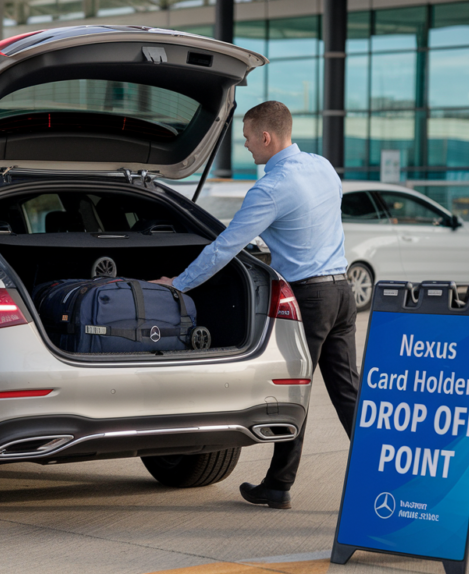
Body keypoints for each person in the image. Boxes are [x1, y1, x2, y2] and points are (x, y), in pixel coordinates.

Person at [152, 100, 359, 510]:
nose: (246, 146)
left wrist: (178, 285)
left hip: (310, 299)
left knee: (294, 393)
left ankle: (279, 485)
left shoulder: (271, 188)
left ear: (266, 136)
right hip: (342, 292)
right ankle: (386, 474)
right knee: (349, 394)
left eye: (247, 138)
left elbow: (224, 248)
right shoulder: (323, 168)